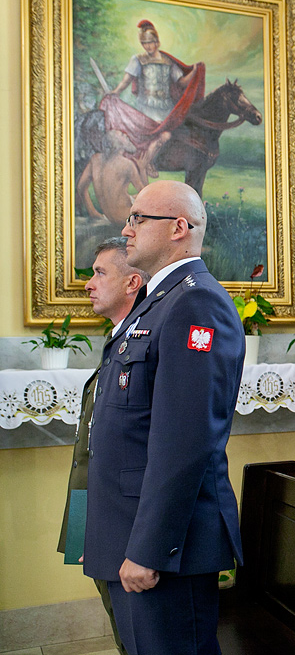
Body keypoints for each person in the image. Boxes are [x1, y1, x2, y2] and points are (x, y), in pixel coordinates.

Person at [83, 180, 245, 654]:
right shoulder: (158, 301)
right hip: (132, 530)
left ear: (179, 228)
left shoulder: (196, 302)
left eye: (138, 218)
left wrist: (150, 548)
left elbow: (186, 441)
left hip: (164, 546)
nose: (126, 229)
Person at [57, 237, 148, 655]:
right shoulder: (120, 338)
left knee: (135, 625)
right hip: (93, 500)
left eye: (99, 273)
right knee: (115, 613)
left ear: (133, 283)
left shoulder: (142, 339)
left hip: (122, 509)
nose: (89, 284)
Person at [106, 20, 204, 180]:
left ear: (157, 42)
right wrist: (116, 91)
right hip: (146, 107)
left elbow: (181, 82)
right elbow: (127, 79)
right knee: (155, 135)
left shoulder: (168, 61)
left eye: (150, 42)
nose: (147, 47)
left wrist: (194, 72)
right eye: (144, 43)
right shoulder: (138, 60)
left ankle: (161, 160)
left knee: (172, 134)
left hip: (166, 107)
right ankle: (147, 162)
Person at [76, 130, 145, 225]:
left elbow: (80, 187)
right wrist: (142, 169)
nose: (126, 135)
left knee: (133, 197)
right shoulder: (127, 164)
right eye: (121, 135)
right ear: (116, 143)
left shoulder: (95, 159)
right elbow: (146, 193)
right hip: (126, 217)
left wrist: (92, 212)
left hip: (111, 217)